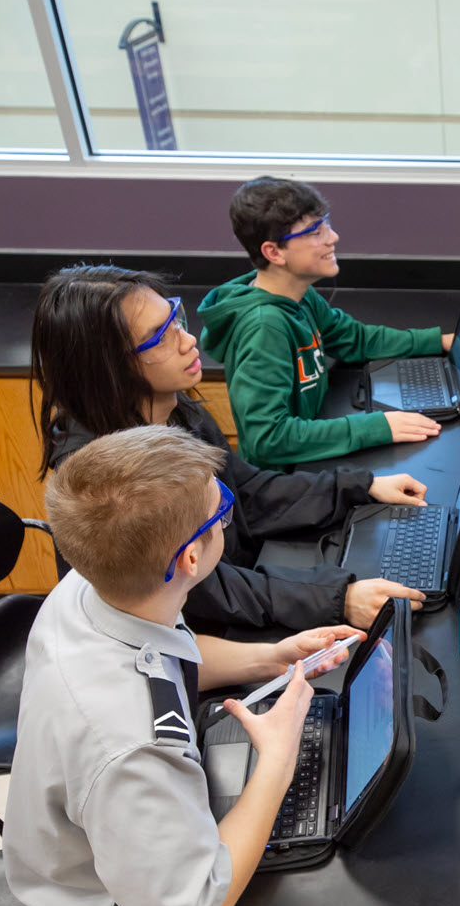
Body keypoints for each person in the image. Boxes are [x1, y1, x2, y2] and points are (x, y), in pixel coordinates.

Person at [4, 425, 404, 906]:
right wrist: (275, 760)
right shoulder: (126, 742)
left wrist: (271, 656)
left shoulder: (89, 588)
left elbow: (168, 655)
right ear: (193, 555)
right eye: (220, 510)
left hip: (117, 843)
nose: (229, 508)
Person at [33, 264, 428, 633]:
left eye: (176, 319)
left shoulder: (170, 406)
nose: (188, 340)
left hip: (238, 587)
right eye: (160, 337)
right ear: (107, 367)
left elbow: (248, 492)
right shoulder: (110, 481)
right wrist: (338, 598)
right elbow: (203, 591)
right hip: (192, 638)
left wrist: (361, 487)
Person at [199, 177, 452, 469]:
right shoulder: (264, 328)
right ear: (274, 252)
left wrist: (438, 341)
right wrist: (375, 427)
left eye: (326, 225)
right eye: (315, 232)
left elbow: (354, 339)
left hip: (313, 460)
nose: (333, 237)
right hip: (286, 483)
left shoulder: (299, 296)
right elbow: (268, 439)